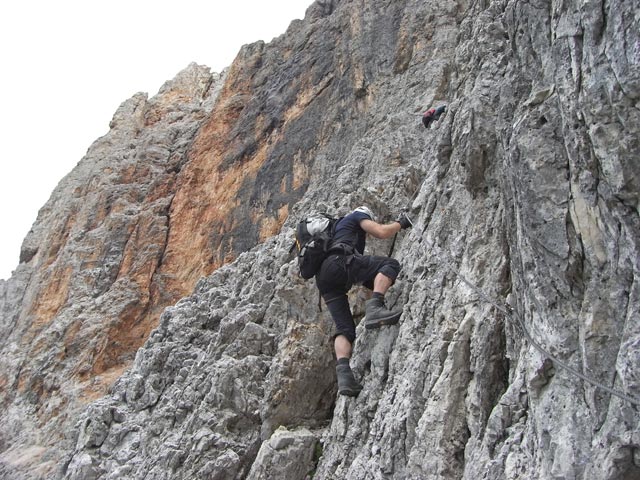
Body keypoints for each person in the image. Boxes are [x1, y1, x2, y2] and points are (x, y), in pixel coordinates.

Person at [315, 206, 412, 396]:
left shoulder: (335, 230)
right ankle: (375, 308)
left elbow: (365, 274)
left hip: (325, 279)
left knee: (345, 330)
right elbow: (381, 232)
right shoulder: (357, 216)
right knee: (390, 264)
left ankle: (345, 376)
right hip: (339, 262)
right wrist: (401, 223)